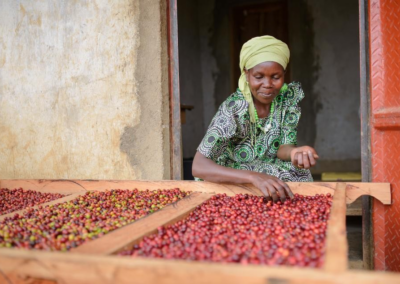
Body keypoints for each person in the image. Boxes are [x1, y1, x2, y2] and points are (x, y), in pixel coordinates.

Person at [192, 35, 319, 202]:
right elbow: (198, 166)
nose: (267, 84)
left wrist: (295, 152)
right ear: (247, 74)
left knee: (299, 171)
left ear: (284, 74)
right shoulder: (235, 108)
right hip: (233, 173)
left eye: (276, 77)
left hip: (266, 168)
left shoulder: (286, 101)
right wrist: (254, 177)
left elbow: (283, 149)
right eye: (259, 77)